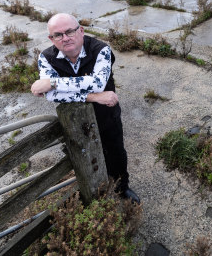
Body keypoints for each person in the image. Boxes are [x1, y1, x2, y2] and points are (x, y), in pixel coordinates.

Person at [31, 13, 139, 204]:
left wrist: (52, 83)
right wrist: (94, 97)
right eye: (58, 35)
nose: (65, 38)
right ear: (51, 39)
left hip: (106, 114)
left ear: (80, 31)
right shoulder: (46, 58)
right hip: (73, 120)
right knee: (82, 153)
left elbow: (98, 83)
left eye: (70, 31)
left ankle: (122, 188)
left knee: (115, 152)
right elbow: (51, 96)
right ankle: (92, 189)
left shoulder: (101, 50)